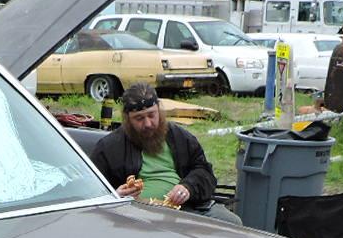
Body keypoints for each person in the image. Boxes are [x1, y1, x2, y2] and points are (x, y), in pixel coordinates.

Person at [89, 83, 242, 224]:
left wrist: (188, 187)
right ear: (127, 120)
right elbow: (90, 191)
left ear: (159, 110)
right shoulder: (109, 147)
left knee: (232, 223)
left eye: (151, 115)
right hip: (135, 213)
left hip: (186, 207)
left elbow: (204, 172)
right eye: (139, 119)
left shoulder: (179, 137)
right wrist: (116, 197)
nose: (148, 124)